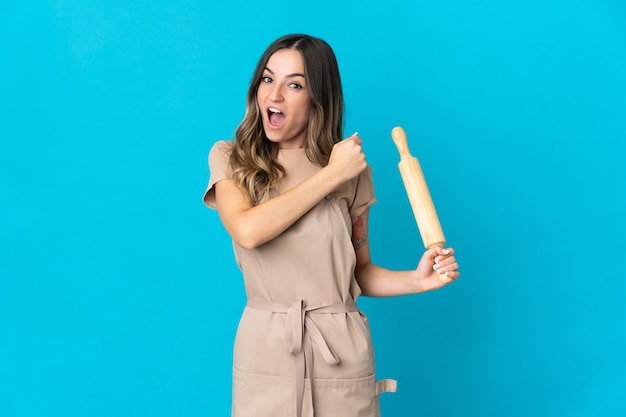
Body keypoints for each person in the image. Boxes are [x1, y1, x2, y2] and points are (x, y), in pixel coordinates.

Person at [203, 33, 459, 417]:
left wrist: (417, 280)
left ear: (318, 98)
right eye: (268, 79)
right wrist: (332, 174)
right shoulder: (231, 158)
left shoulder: (354, 174)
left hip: (340, 351)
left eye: (294, 85)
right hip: (266, 348)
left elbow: (360, 272)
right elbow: (248, 230)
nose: (274, 96)